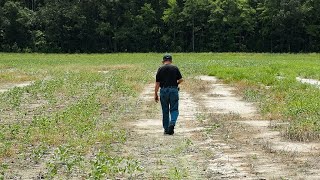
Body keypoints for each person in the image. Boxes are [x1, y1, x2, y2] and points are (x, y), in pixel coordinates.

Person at [154, 54, 183, 135]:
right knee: (174, 109)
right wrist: (176, 83)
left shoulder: (160, 69)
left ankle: (166, 129)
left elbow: (157, 83)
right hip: (173, 90)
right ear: (171, 61)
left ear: (163, 61)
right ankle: (172, 123)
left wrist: (155, 94)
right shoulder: (175, 68)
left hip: (163, 91)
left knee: (165, 110)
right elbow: (181, 80)